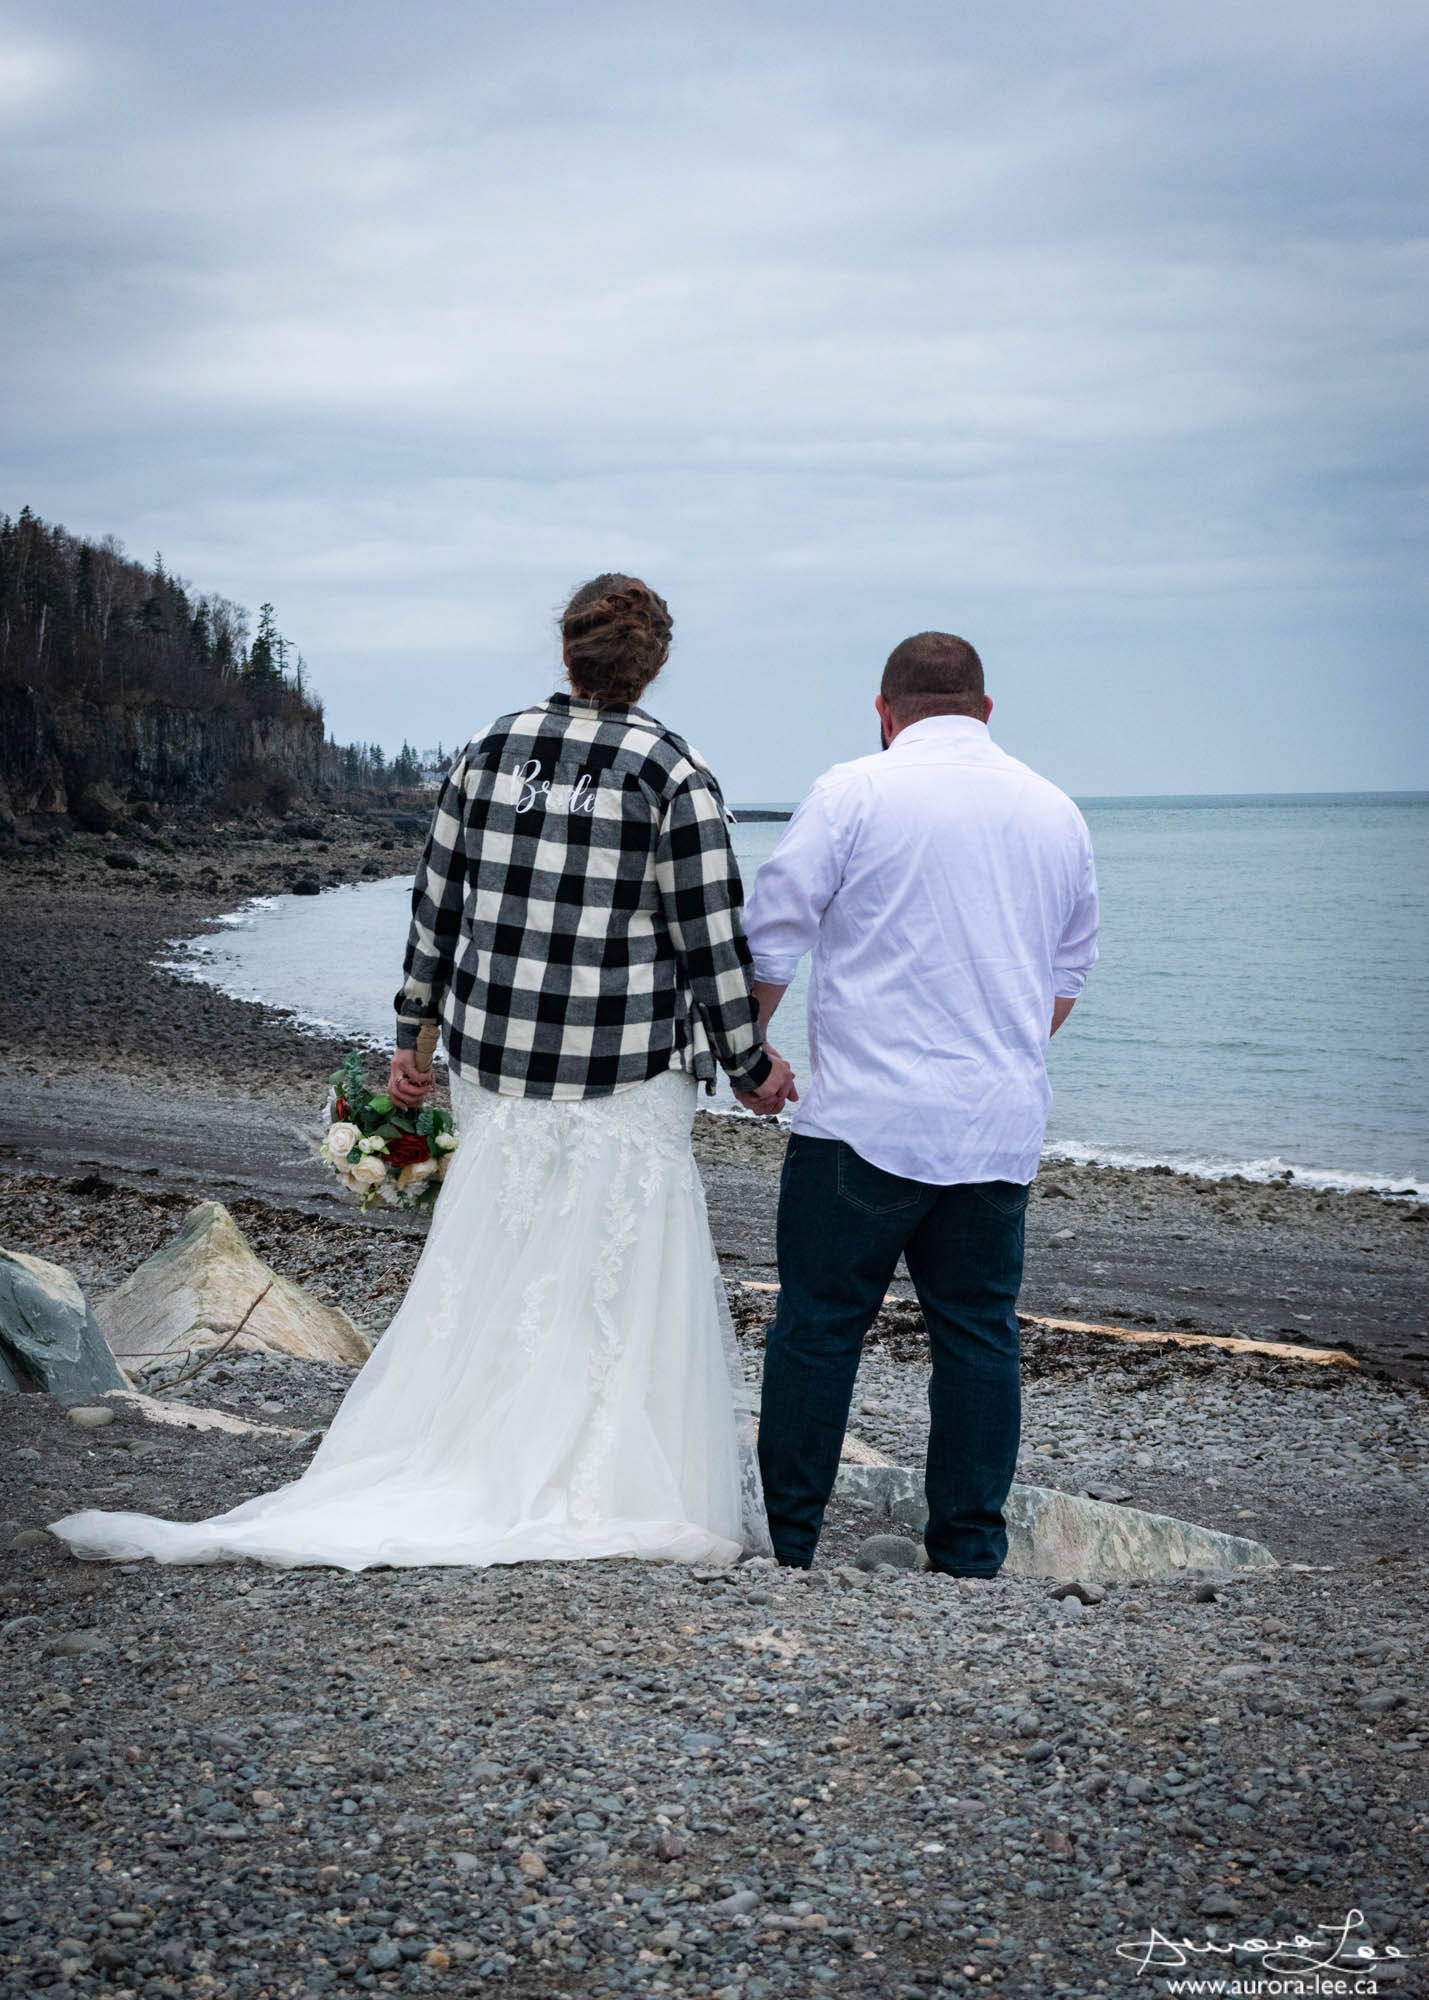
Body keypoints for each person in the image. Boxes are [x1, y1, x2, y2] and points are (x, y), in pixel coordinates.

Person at [52, 574, 792, 1571]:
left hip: (495, 1055)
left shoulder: (487, 751)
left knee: (500, 1249)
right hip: (621, 1061)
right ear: (651, 663)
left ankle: (473, 1445)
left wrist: (414, 1036)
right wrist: (748, 1062)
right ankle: (597, 1471)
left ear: (566, 650)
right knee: (613, 1271)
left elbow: (435, 906)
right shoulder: (672, 770)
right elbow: (707, 941)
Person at [739, 631, 1099, 1575]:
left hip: (863, 1122)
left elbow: (774, 934)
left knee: (818, 1329)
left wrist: (751, 1054)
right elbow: (1066, 972)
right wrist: (998, 1057)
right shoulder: (1055, 811)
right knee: (978, 1338)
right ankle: (970, 1554)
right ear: (985, 710)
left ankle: (788, 1544)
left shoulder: (854, 789)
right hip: (995, 1127)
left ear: (884, 712)